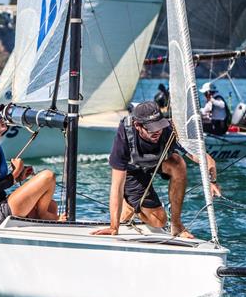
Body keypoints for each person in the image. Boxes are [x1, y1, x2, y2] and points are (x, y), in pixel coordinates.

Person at [92, 101, 221, 238]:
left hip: (156, 163)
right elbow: (117, 186)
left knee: (178, 163)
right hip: (134, 172)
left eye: (159, 126)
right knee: (159, 221)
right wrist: (114, 227)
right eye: (151, 128)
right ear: (137, 126)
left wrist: (211, 180)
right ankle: (130, 206)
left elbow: (202, 157)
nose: (157, 131)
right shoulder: (124, 136)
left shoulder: (168, 129)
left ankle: (177, 225)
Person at [0, 104, 60, 226]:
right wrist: (15, 173)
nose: (1, 119)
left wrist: (18, 178)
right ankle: (43, 215)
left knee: (51, 205)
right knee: (48, 176)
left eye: (0, 116)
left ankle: (43, 221)